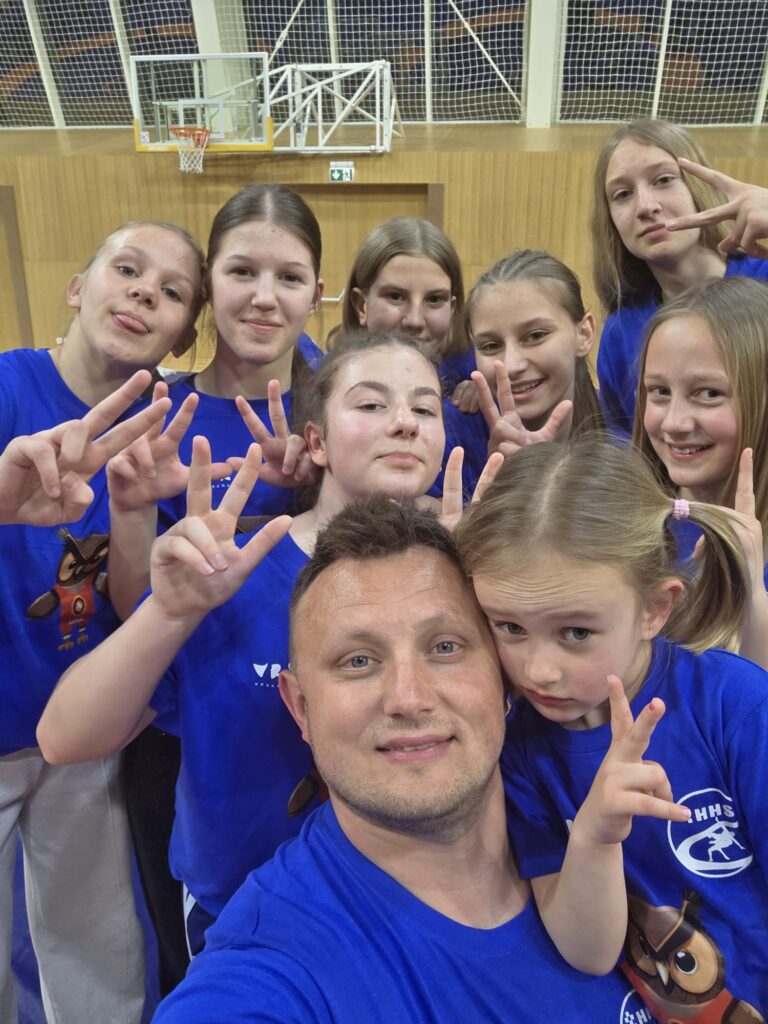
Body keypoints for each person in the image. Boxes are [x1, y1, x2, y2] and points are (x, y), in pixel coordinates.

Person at [148, 496, 654, 1023]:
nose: (409, 698)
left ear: (505, 679)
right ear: (301, 707)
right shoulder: (272, 966)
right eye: (358, 660)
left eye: (445, 647)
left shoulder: (625, 822)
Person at [38, 330, 455, 956]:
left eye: (425, 408)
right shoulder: (233, 567)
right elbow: (65, 738)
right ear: (316, 441)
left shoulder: (467, 569)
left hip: (415, 906)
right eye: (371, 404)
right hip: (242, 919)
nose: (404, 422)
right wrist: (169, 613)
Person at [455, 437, 768, 1020]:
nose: (538, 671)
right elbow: (590, 953)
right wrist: (594, 837)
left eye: (576, 632)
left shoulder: (735, 705)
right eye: (509, 627)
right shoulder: (517, 751)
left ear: (654, 608)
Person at [110, 183, 325, 992]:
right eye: (242, 272)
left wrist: (313, 487)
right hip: (185, 733)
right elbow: (135, 609)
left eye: (289, 277)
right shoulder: (158, 408)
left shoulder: (339, 408)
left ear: (317, 291)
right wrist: (134, 510)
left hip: (313, 717)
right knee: (198, 954)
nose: (265, 297)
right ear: (209, 283)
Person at [0, 219, 204, 1024]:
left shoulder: (163, 428)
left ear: (182, 336)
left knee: (95, 941)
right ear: (77, 287)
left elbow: (133, 601)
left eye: (171, 291)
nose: (144, 291)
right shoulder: (9, 386)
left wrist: (133, 510)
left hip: (82, 736)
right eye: (126, 269)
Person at [591, 118, 768, 436]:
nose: (645, 206)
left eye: (663, 180)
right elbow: (621, 442)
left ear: (699, 185)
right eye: (623, 194)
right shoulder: (620, 332)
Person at [631, 274, 768, 669]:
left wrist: (752, 600)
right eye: (659, 391)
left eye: (708, 393)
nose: (674, 423)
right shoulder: (632, 523)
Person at [339, 216, 488, 500]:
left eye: (434, 299)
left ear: (452, 307)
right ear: (361, 305)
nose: (415, 320)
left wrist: (488, 388)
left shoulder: (481, 380)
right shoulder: (331, 386)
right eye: (396, 296)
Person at [464, 249, 603, 458]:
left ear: (584, 334)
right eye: (491, 346)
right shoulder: (449, 437)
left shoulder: (625, 441)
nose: (511, 366)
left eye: (536, 336)